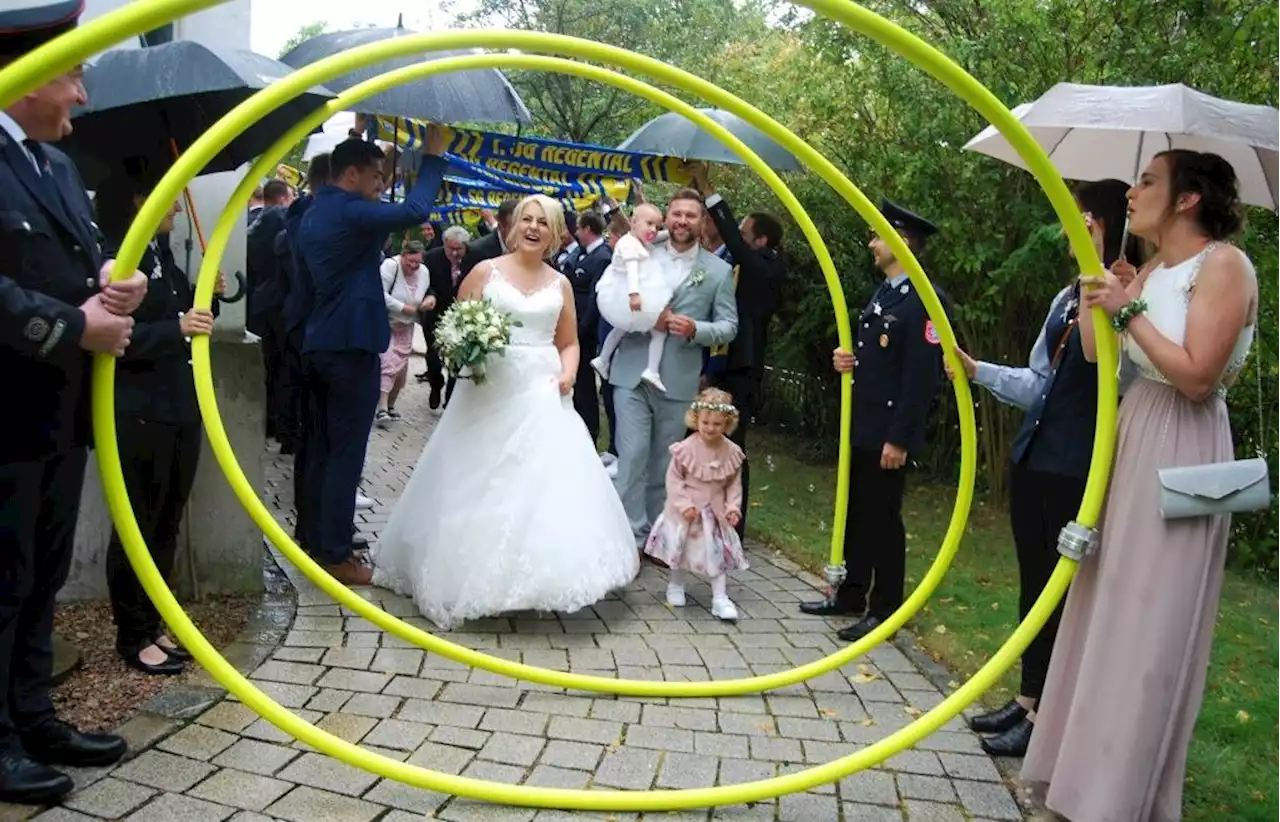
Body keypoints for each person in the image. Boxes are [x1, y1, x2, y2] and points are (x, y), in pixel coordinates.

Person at [1022, 151, 1256, 822]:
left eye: (1149, 180)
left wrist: (1128, 311)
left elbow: (1196, 377)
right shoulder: (1153, 268)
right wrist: (1100, 285)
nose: (1133, 190)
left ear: (1187, 198)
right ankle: (1080, 782)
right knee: (1105, 605)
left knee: (1149, 619)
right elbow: (1103, 356)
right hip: (1131, 434)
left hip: (1183, 442)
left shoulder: (1225, 266)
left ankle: (1121, 797)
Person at [0, 0, 150, 804]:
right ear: (22, 74)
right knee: (3, 577)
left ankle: (31, 717)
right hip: (8, 413)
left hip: (58, 415)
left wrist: (115, 287)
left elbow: (84, 263)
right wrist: (69, 326)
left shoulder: (55, 164)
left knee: (40, 575)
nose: (83, 96)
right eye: (74, 73)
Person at [371, 194, 639, 628]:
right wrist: (467, 354)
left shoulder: (561, 284)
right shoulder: (484, 272)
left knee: (540, 484)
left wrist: (568, 373)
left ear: (555, 234)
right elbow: (454, 328)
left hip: (543, 390)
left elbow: (568, 342)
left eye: (544, 223)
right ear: (514, 227)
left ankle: (533, 579)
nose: (533, 228)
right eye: (527, 220)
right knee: (479, 478)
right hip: (488, 390)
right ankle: (467, 574)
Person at [950, 179, 1143, 757]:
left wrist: (1112, 295)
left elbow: (1118, 378)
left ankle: (1049, 719)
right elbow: (1040, 380)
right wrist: (978, 369)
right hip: (1035, 456)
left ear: (1102, 220)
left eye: (1081, 216)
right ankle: (1030, 697)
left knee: (1063, 594)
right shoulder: (1067, 295)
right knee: (1036, 586)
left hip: (1077, 466)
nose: (1070, 228)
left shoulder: (1126, 292)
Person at [298, 129, 447, 586]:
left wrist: (386, 155)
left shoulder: (316, 209)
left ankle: (317, 538)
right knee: (345, 455)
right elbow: (415, 211)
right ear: (350, 174)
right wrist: (433, 156)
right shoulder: (349, 211)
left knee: (322, 451)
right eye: (376, 176)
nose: (381, 185)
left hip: (321, 342)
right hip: (350, 347)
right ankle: (337, 554)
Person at [96, 175, 227, 676]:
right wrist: (176, 326)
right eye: (169, 193)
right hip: (139, 409)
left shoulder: (161, 253)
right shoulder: (119, 258)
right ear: (138, 197)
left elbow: (183, 317)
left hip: (178, 405)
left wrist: (204, 299)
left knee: (167, 521)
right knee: (139, 523)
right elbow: (117, 336)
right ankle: (132, 633)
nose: (177, 203)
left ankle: (155, 619)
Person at [799, 199, 945, 642]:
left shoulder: (923, 300)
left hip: (887, 430)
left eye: (878, 235)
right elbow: (882, 358)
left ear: (902, 241)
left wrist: (899, 439)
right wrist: (851, 361)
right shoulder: (887, 291)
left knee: (883, 519)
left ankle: (883, 610)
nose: (870, 243)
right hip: (864, 423)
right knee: (859, 513)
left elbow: (920, 377)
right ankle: (850, 594)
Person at [609, 189, 738, 547]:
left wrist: (697, 329)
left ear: (702, 222)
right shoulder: (642, 251)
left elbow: (729, 326)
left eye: (690, 215)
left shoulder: (719, 271)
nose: (682, 221)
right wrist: (642, 315)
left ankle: (653, 533)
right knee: (631, 455)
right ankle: (624, 536)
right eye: (676, 213)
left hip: (679, 379)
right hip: (632, 371)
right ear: (667, 217)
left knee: (663, 463)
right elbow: (614, 297)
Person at [688, 164, 787, 539]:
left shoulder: (768, 265)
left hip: (742, 369)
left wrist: (708, 188)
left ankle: (734, 524)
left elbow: (731, 239)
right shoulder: (742, 263)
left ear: (761, 241)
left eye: (745, 235)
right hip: (722, 361)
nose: (739, 240)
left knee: (733, 445)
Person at [643, 387, 749, 620]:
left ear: (727, 424)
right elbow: (674, 480)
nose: (710, 428)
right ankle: (676, 584)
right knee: (682, 552)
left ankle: (720, 598)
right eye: (706, 422)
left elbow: (734, 484)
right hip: (687, 513)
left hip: (715, 515)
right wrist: (684, 505)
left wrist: (733, 506)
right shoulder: (686, 449)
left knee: (717, 555)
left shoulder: (731, 452)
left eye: (717, 424)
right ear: (696, 419)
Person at [591, 203, 671, 391]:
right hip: (626, 291)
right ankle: (652, 370)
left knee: (620, 327)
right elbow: (632, 271)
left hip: (624, 291)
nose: (653, 230)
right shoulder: (629, 245)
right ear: (634, 223)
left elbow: (657, 237)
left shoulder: (639, 238)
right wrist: (634, 294)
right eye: (649, 224)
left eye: (657, 226)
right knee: (658, 331)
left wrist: (670, 232)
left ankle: (603, 358)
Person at [563, 210, 611, 442]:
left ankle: (590, 428)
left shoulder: (602, 257)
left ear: (588, 230)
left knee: (584, 380)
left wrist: (582, 328)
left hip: (585, 329)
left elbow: (595, 297)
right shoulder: (580, 254)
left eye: (579, 228)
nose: (575, 232)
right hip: (571, 323)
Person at [376, 240, 433, 426]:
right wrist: (402, 307)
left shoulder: (423, 272)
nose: (413, 266)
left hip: (407, 326)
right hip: (386, 323)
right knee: (387, 362)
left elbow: (427, 292)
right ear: (403, 255)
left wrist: (428, 300)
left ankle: (391, 405)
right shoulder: (390, 266)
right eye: (410, 261)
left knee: (400, 369)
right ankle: (381, 408)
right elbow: (379, 293)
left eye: (417, 262)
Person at [418, 224, 470, 409]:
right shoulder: (432, 258)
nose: (455, 253)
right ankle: (435, 384)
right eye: (451, 249)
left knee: (457, 359)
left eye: (459, 249)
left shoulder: (472, 258)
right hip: (435, 314)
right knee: (433, 357)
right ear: (444, 244)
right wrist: (430, 295)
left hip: (461, 316)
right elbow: (423, 283)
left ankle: (450, 399)